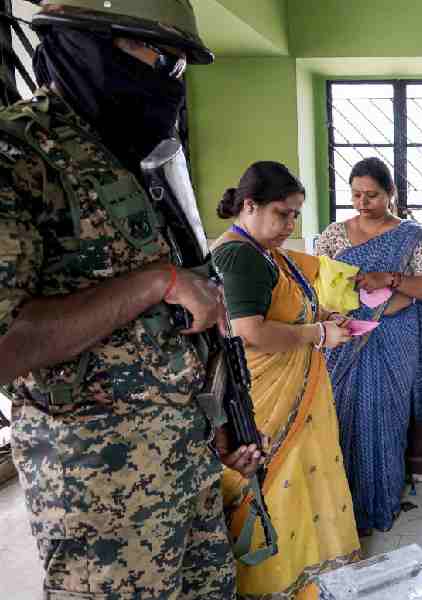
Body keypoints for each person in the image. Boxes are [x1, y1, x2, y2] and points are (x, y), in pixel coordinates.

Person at [0, 1, 263, 598]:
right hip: (99, 491)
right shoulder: (20, 156)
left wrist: (214, 420)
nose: (167, 77)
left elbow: (172, 329)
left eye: (177, 65)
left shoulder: (133, 156)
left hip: (185, 460)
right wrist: (157, 282)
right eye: (154, 55)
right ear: (86, 44)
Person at [211, 161, 361, 599]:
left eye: (295, 214)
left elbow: (286, 309)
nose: (290, 223)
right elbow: (248, 331)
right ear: (249, 205)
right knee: (277, 490)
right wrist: (317, 334)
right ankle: (277, 588)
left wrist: (322, 317)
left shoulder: (267, 252)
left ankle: (310, 583)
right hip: (264, 400)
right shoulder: (237, 255)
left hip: (298, 387)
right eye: (282, 213)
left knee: (304, 490)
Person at [316, 156, 422, 535]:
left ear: (390, 193)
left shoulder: (413, 237)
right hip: (343, 335)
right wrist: (329, 317)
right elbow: (319, 284)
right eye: (356, 195)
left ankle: (381, 504)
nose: (362, 203)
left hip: (393, 336)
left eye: (372, 195)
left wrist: (389, 278)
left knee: (386, 418)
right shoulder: (334, 235)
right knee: (340, 416)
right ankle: (341, 512)